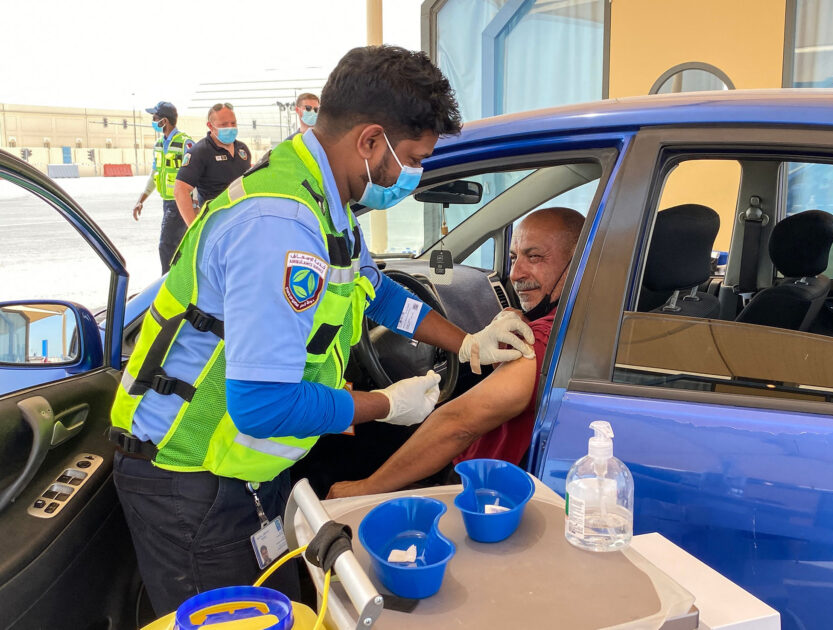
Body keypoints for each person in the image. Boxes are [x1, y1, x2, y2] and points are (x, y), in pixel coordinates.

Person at [108, 45, 534, 617]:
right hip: (188, 480)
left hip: (245, 471)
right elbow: (263, 405)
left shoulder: (321, 199)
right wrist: (384, 404)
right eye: (412, 158)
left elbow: (376, 292)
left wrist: (469, 342)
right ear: (370, 140)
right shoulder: (278, 227)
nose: (415, 175)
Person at [327, 207, 584, 499]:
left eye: (535, 257)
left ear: (578, 262)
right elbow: (382, 298)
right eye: (513, 258)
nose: (514, 274)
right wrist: (468, 344)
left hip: (478, 490)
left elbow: (457, 424)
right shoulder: (573, 322)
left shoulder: (542, 340)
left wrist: (364, 489)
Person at [132, 101, 194, 273]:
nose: (153, 121)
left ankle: (165, 286)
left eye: (155, 118)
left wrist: (194, 203)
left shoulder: (185, 143)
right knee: (176, 248)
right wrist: (141, 200)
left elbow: (197, 174)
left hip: (181, 203)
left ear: (164, 121)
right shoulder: (159, 145)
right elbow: (155, 175)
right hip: (167, 203)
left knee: (166, 246)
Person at [173, 103, 252, 225]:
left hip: (242, 220)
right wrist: (193, 227)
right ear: (210, 126)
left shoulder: (243, 149)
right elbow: (180, 189)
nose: (230, 127)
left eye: (233, 123)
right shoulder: (200, 152)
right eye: (224, 124)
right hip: (215, 223)